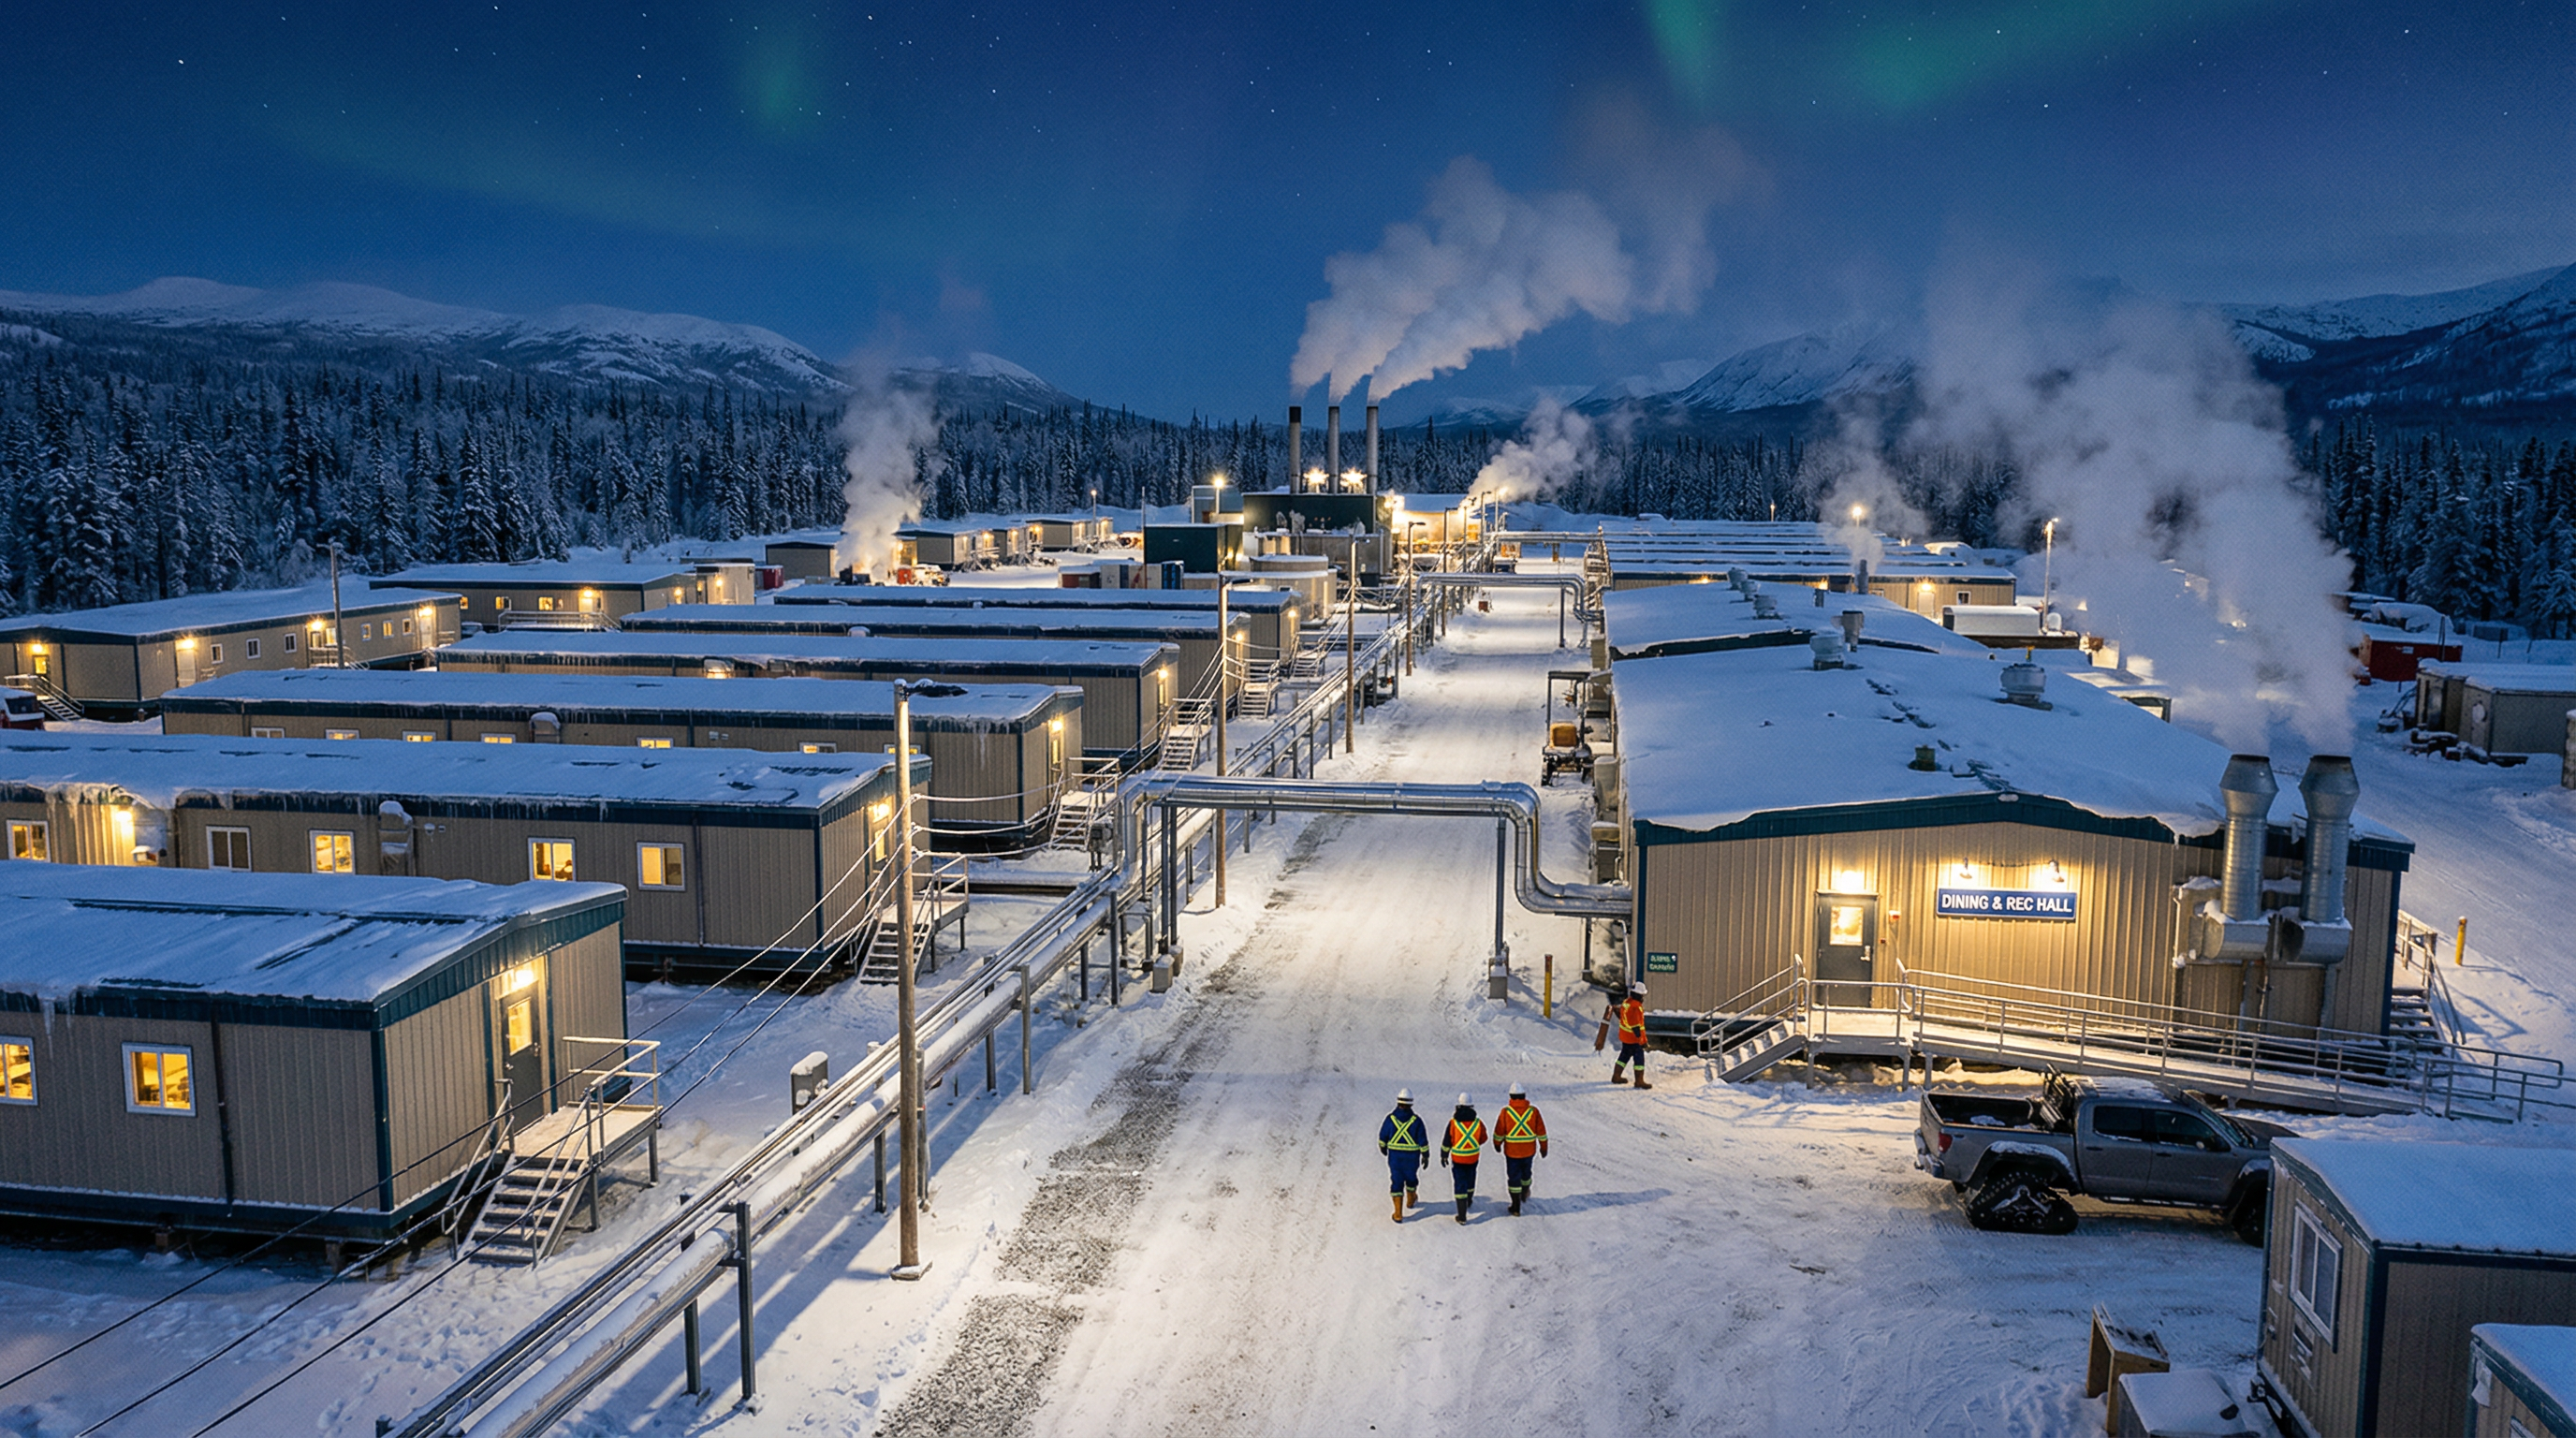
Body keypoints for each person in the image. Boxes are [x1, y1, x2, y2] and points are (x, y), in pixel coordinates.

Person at [1491, 1082, 1549, 1215]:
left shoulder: (1505, 1112)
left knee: (1513, 1177)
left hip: (1512, 1152)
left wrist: (1497, 1144)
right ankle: (1525, 1191)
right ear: (1524, 1096)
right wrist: (1544, 1147)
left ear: (1511, 1096)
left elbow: (1499, 1131)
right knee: (1526, 1173)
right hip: (1529, 1151)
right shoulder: (1533, 1111)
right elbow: (1541, 1131)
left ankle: (1515, 1206)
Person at [1377, 1089, 1427, 1222]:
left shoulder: (1390, 1119)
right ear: (1411, 1104)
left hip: (1395, 1159)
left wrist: (1383, 1147)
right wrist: (1425, 1155)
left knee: (1397, 1182)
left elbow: (1383, 1136)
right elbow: (1423, 1140)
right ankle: (1411, 1200)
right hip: (1412, 1159)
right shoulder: (1417, 1121)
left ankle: (1398, 1213)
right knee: (1411, 1179)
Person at [1439, 1093, 1486, 1225]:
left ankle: (1462, 1215)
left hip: (1458, 1159)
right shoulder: (1478, 1122)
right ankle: (1469, 1200)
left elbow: (1447, 1140)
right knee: (1471, 1179)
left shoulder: (1453, 1123)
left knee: (1460, 1183)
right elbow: (1484, 1138)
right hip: (1473, 1158)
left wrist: (1444, 1155)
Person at [1611, 984, 1652, 1090]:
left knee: (1624, 1056)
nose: (1643, 997)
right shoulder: (1636, 1007)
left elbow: (1621, 1016)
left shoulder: (1626, 1003)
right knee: (1639, 1059)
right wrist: (1642, 1041)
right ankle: (1639, 1081)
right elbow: (1636, 1026)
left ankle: (1616, 1076)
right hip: (1634, 1039)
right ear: (1638, 995)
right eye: (1642, 995)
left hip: (1625, 1037)